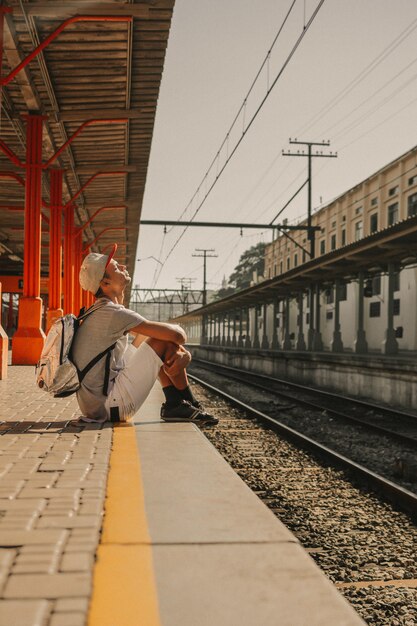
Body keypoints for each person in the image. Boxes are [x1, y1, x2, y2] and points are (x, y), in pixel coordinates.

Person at [72, 244, 218, 425]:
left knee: (154, 340)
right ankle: (188, 404)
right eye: (117, 268)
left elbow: (145, 338)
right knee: (163, 342)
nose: (124, 267)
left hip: (96, 404)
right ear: (106, 283)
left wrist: (182, 352)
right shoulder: (112, 313)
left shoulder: (101, 310)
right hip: (110, 405)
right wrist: (184, 353)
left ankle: (176, 403)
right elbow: (178, 336)